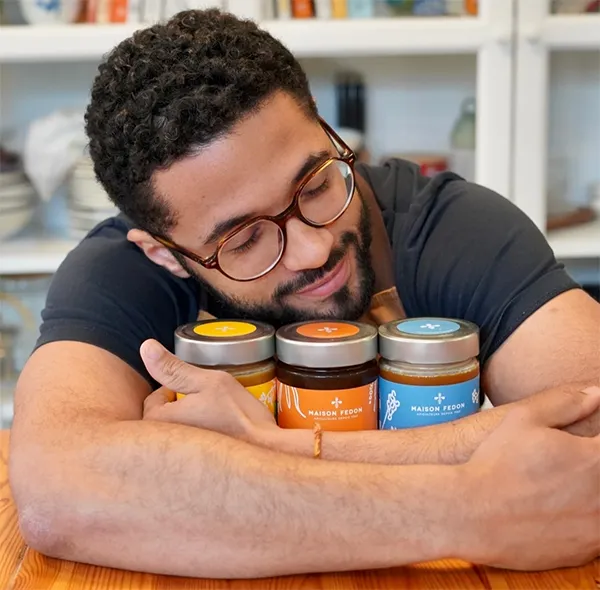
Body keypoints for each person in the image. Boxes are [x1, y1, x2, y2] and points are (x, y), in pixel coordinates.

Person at [9, 9, 599, 579]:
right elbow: (57, 490)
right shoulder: (119, 272)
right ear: (166, 253)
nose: (314, 250)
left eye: (315, 184)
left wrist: (270, 447)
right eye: (245, 240)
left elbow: (591, 427)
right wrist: (465, 510)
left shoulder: (453, 227)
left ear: (323, 126)